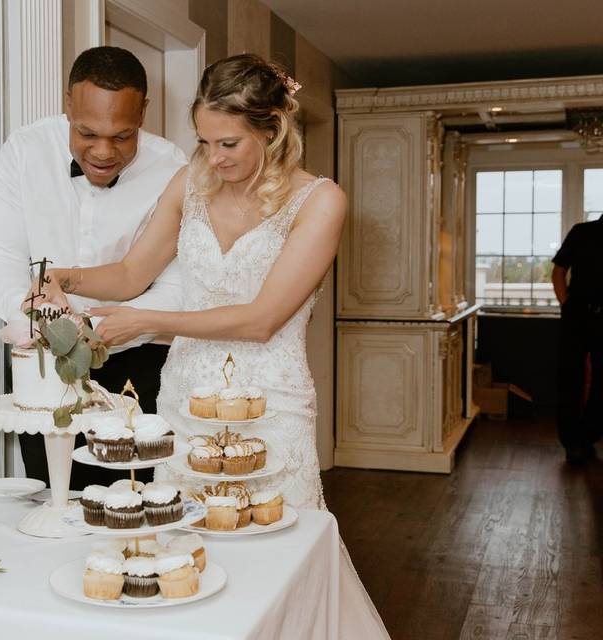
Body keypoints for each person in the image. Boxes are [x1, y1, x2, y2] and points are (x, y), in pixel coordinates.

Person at [34, 54, 390, 637]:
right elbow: (129, 274)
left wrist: (147, 321)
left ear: (272, 131)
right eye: (203, 142)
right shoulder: (189, 183)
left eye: (229, 144)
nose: (214, 159)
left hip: (270, 404)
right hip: (184, 399)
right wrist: (67, 277)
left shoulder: (320, 201)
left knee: (278, 558)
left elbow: (261, 320)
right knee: (182, 559)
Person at [0, 46, 186, 488]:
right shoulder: (24, 151)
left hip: (138, 361)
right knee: (55, 498)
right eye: (87, 133)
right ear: (68, 104)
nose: (103, 151)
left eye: (122, 136)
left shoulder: (173, 168)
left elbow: (177, 281)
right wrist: (37, 319)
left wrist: (111, 326)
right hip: (45, 365)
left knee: (132, 504)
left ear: (144, 111)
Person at [552, 215, 603, 464]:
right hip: (577, 315)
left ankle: (589, 435)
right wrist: (566, 306)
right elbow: (559, 271)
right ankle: (571, 441)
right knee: (570, 376)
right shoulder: (581, 231)